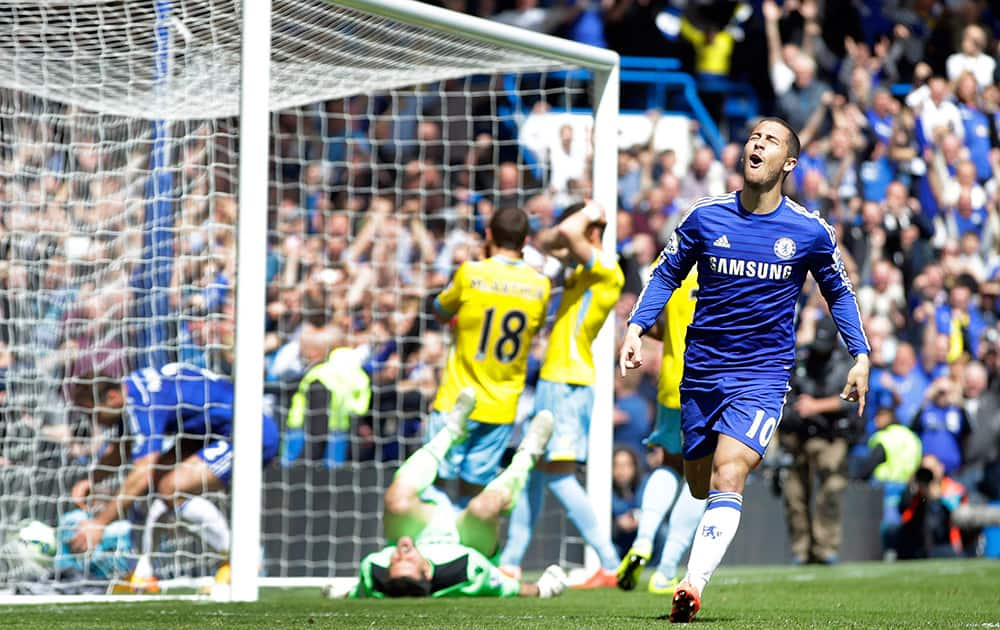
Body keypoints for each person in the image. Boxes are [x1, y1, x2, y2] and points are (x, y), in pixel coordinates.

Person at [619, 117, 870, 623]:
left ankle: (692, 583)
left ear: (790, 163)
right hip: (700, 376)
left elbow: (839, 292)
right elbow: (666, 272)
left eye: (771, 140)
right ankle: (689, 549)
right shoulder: (704, 217)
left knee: (729, 473)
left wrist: (861, 354)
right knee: (699, 482)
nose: (757, 142)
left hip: (762, 377)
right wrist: (635, 326)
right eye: (754, 135)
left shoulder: (809, 230)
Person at [498, 200, 624, 588]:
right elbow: (551, 239)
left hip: (569, 382)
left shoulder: (607, 269)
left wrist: (589, 210)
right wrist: (581, 219)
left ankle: (609, 562)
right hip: (558, 379)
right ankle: (510, 561)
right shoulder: (582, 267)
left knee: (557, 474)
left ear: (591, 233)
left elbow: (566, 234)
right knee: (534, 471)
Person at [66, 362, 280, 590]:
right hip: (209, 434)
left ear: (111, 397)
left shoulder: (144, 404)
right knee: (156, 486)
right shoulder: (134, 391)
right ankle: (142, 573)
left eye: (93, 413)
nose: (93, 421)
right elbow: (127, 446)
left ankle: (242, 561)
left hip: (248, 432)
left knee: (170, 487)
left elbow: (141, 472)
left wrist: (99, 524)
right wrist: (93, 479)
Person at [333, 392, 568, 598]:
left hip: (419, 529)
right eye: (407, 562)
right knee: (484, 507)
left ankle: (450, 431)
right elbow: (509, 588)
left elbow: (367, 589)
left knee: (397, 501)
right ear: (426, 571)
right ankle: (529, 453)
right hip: (470, 542)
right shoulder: (467, 572)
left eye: (395, 562)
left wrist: (348, 592)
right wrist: (541, 589)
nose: (400, 554)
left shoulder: (374, 572)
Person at [429, 206, 551, 505]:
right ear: (525, 242)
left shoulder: (471, 273)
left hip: (457, 398)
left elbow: (441, 312)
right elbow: (533, 332)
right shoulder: (540, 286)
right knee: (474, 494)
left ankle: (436, 548)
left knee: (439, 484)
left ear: (488, 234)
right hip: (501, 405)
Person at [617, 269, 706, 595]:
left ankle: (642, 542)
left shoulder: (673, 256)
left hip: (672, 378)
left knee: (669, 462)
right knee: (703, 477)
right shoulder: (737, 249)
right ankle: (666, 569)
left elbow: (649, 316)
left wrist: (672, 335)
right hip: (712, 380)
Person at [777, 311, 860, 565]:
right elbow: (785, 390)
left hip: (830, 435)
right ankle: (801, 550)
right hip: (798, 434)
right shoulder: (801, 358)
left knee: (832, 488)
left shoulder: (847, 364)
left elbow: (851, 399)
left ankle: (825, 548)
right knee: (794, 494)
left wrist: (816, 406)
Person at [281, 343, 371, 468]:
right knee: (333, 474)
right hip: (339, 428)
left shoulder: (319, 372)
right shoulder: (360, 377)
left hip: (302, 426)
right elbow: (360, 407)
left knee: (292, 469)